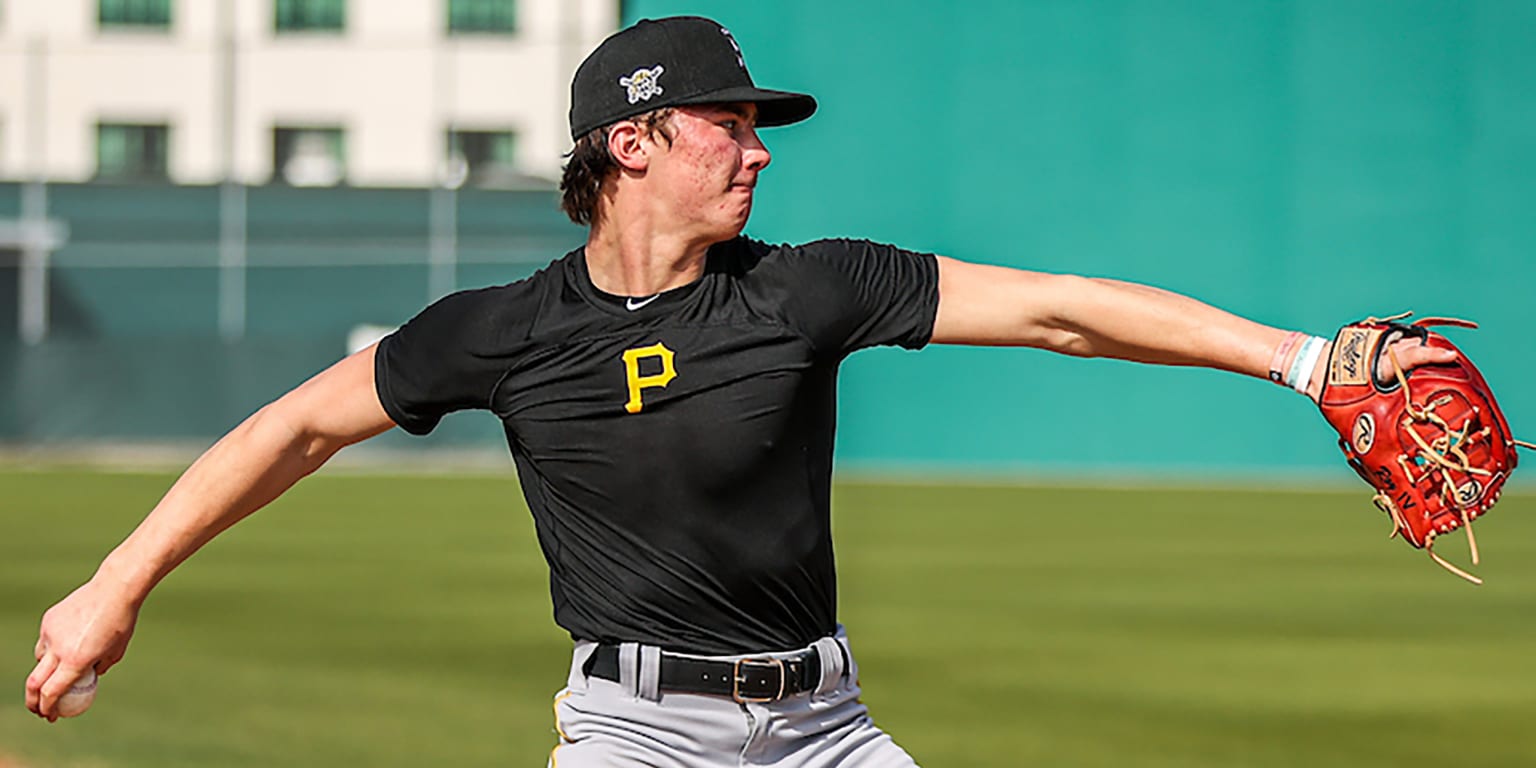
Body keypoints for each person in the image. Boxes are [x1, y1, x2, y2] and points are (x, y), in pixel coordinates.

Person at [26, 16, 1453, 766]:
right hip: (636, 736)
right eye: (731, 124)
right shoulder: (507, 332)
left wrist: (1303, 359)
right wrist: (115, 584)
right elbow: (293, 427)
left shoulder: (806, 290)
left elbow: (1060, 311)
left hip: (826, 730)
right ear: (633, 142)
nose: (760, 149)